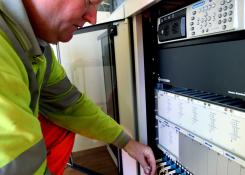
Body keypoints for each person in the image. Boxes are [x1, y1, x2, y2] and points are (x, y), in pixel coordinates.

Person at [0, 0, 156, 175]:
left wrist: (128, 143)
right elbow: (14, 166)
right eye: (89, 1)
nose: (93, 18)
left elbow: (71, 106)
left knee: (60, 122)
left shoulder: (39, 51)